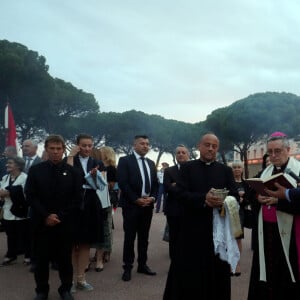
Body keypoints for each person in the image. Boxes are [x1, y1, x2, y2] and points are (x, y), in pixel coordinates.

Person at [163, 133, 239, 300]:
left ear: (217, 148)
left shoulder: (225, 170)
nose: (211, 148)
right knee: (189, 273)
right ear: (199, 146)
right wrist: (203, 199)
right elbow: (180, 194)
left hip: (217, 232)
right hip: (192, 230)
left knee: (216, 273)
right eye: (207, 144)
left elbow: (235, 196)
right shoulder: (188, 168)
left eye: (214, 146)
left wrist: (222, 202)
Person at [25, 134, 81, 300]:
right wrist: (46, 215)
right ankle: (41, 290)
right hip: (42, 223)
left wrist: (60, 216)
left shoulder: (74, 173)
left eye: (59, 149)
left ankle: (65, 289)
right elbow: (30, 196)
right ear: (46, 150)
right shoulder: (35, 171)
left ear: (64, 150)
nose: (56, 152)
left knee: (65, 260)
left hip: (65, 224)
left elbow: (77, 199)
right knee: (41, 260)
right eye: (52, 149)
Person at [247, 131, 300, 299]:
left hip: (291, 235)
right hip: (268, 233)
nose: (273, 156)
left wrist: (280, 202)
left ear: (288, 149)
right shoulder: (265, 172)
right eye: (270, 152)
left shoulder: (297, 171)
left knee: (287, 272)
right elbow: (251, 192)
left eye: (278, 151)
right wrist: (258, 197)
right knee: (267, 270)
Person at [66, 133, 105, 292]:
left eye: (90, 145)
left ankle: (81, 279)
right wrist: (69, 156)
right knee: (69, 244)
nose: (87, 148)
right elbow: (66, 180)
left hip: (90, 205)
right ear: (77, 146)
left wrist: (95, 177)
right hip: (71, 206)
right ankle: (68, 280)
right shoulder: (68, 161)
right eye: (84, 145)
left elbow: (101, 187)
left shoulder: (97, 162)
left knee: (85, 243)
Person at [117, 135, 159, 282]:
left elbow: (155, 184)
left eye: (148, 144)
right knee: (129, 237)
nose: (145, 146)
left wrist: (152, 197)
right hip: (131, 206)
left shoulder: (151, 163)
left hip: (147, 206)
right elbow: (123, 183)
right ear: (134, 145)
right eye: (142, 143)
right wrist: (136, 199)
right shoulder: (124, 161)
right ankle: (127, 267)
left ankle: (142, 265)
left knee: (144, 237)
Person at [90, 146, 117, 271]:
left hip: (106, 199)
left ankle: (105, 252)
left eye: (101, 151)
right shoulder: (97, 165)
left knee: (106, 228)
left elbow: (111, 185)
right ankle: (99, 253)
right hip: (96, 200)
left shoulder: (111, 168)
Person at [0, 156, 30, 266]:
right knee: (10, 234)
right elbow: (2, 192)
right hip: (8, 211)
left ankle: (28, 255)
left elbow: (23, 193)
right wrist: (9, 192)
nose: (7, 165)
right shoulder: (5, 177)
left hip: (21, 211)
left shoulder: (25, 178)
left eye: (10, 163)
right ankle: (11, 255)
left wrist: (8, 192)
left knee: (25, 235)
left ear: (17, 165)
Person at [163, 144, 190, 260]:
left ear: (188, 155)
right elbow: (167, 187)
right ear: (175, 155)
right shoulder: (169, 170)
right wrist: (182, 187)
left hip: (190, 209)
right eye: (178, 152)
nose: (181, 154)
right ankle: (174, 261)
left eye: (183, 152)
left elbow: (195, 187)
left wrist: (176, 184)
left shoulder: (194, 170)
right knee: (173, 237)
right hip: (173, 210)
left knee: (188, 236)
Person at [231, 160, 251, 276]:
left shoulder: (246, 184)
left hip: (240, 215)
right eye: (234, 168)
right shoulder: (228, 183)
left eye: (239, 167)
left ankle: (237, 264)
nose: (237, 169)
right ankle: (230, 263)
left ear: (242, 169)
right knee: (229, 239)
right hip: (229, 214)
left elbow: (249, 199)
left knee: (238, 239)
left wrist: (244, 200)